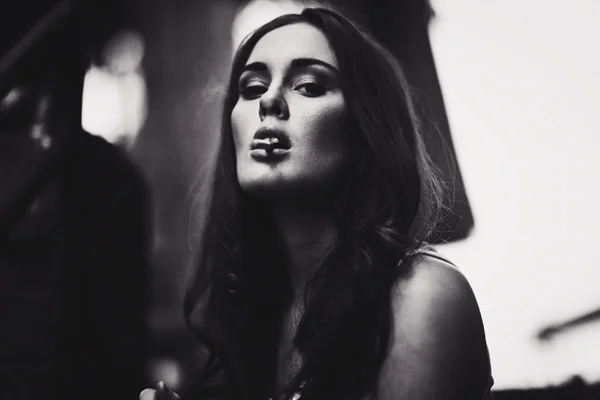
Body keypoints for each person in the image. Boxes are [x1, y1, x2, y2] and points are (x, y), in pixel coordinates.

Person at [141, 6, 493, 400]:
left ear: (365, 128)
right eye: (252, 88)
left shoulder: (421, 296)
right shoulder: (255, 312)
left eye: (308, 85)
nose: (268, 101)